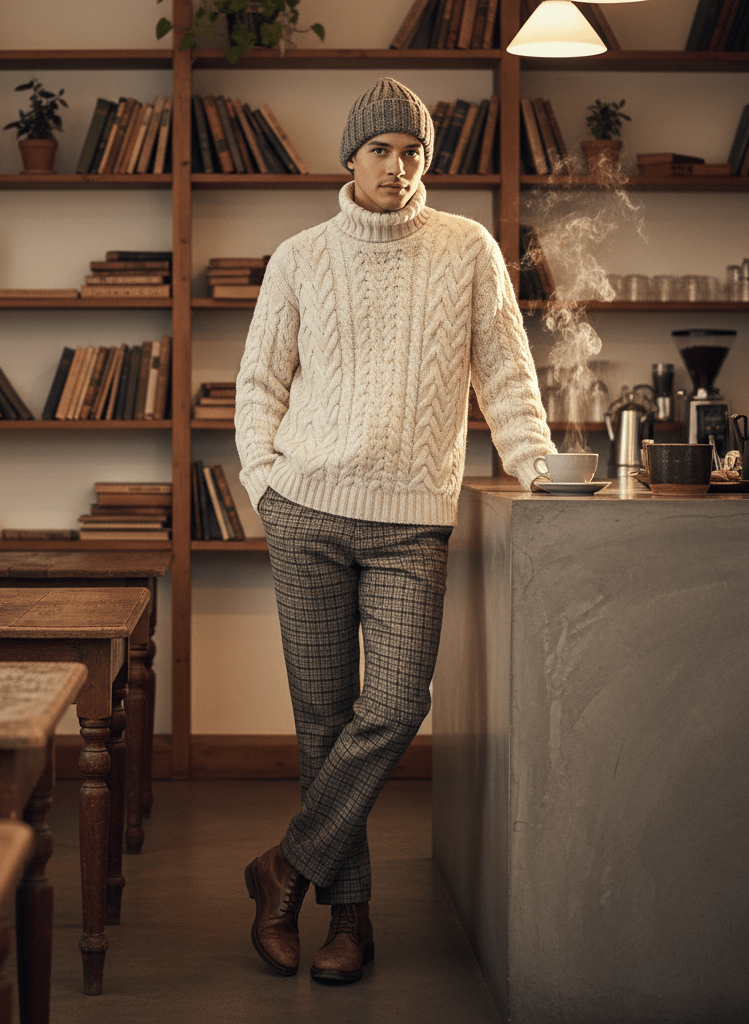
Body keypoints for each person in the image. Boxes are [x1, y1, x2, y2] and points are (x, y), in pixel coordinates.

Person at [234, 78, 555, 985]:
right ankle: (352, 919)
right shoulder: (300, 257)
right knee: (322, 722)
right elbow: (259, 383)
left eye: (412, 151)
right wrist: (263, 482)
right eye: (381, 150)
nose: (398, 166)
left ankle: (283, 869)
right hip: (305, 511)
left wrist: (538, 466)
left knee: (395, 706)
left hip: (411, 522)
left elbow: (506, 373)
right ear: (351, 157)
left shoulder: (467, 247)